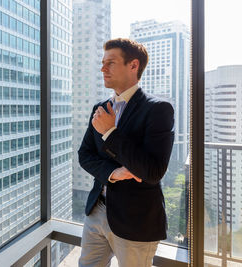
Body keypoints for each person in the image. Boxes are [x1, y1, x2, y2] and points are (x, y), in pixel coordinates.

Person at [78, 38, 175, 267]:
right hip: (96, 211)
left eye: (110, 62)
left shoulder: (158, 109)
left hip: (136, 220)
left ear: (133, 66)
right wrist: (114, 172)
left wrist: (110, 132)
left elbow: (153, 171)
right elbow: (85, 155)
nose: (102, 68)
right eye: (102, 63)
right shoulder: (100, 109)